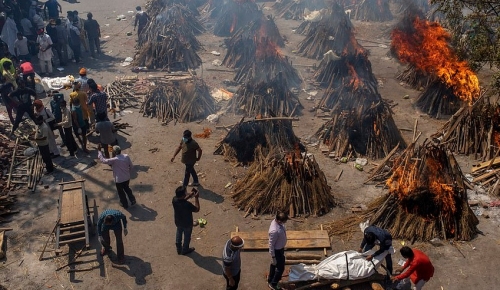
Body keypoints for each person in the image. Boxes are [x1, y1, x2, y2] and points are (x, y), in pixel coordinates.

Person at [97, 144, 136, 209]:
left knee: (121, 192)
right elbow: (131, 166)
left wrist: (99, 151)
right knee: (127, 188)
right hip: (127, 178)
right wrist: (127, 172)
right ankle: (132, 199)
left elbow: (103, 160)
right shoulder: (126, 156)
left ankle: (125, 204)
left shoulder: (114, 160)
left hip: (119, 180)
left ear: (114, 152)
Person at [172, 186, 200, 255]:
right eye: (185, 192)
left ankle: (178, 247)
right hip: (187, 223)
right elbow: (197, 209)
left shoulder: (174, 200)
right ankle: (185, 249)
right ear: (183, 195)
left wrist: (189, 196)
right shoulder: (187, 205)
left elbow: (182, 200)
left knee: (179, 232)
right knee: (187, 237)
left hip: (178, 221)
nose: (186, 193)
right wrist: (196, 198)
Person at [268, 212, 288, 290]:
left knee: (274, 264)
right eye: (284, 221)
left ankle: (270, 278)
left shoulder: (278, 223)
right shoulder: (274, 231)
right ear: (279, 221)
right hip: (277, 251)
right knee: (280, 268)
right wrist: (273, 256)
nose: (285, 223)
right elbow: (271, 244)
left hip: (280, 248)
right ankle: (273, 283)